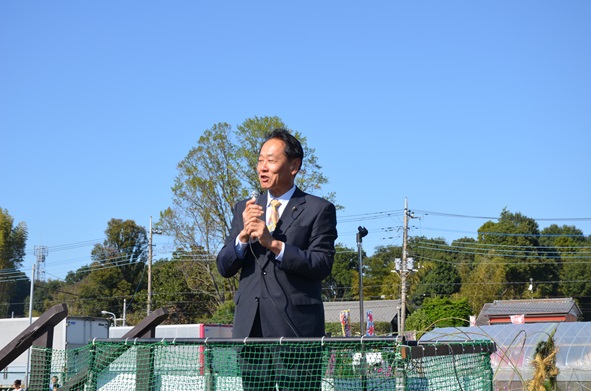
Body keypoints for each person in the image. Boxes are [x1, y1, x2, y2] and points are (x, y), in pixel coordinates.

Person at [217, 128, 337, 390]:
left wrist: (273, 244)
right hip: (251, 329)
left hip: (297, 329)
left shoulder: (318, 209)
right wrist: (242, 238)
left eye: (271, 161)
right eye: (260, 160)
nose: (263, 167)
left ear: (294, 166)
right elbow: (224, 266)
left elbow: (321, 264)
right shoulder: (244, 208)